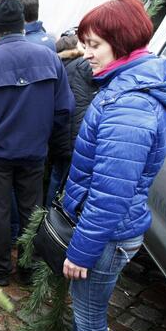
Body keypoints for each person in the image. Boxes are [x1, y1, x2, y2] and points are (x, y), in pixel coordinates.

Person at [29, 0, 166, 331]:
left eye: (94, 44)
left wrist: (81, 251)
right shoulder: (126, 85)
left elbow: (110, 193)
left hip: (107, 235)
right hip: (106, 229)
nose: (85, 53)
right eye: (85, 43)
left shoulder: (131, 105)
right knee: (85, 309)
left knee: (89, 316)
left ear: (123, 42)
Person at [0, 0, 73, 287]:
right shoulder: (50, 58)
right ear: (22, 27)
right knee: (32, 210)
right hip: (35, 151)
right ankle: (27, 268)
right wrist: (46, 137)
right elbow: (64, 109)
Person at [45, 30, 97, 206]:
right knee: (65, 180)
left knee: (56, 174)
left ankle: (44, 218)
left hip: (58, 131)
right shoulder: (82, 65)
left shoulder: (56, 66)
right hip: (76, 132)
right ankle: (55, 217)